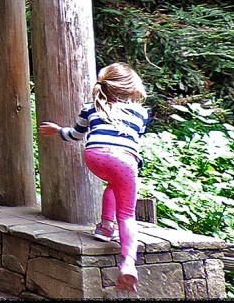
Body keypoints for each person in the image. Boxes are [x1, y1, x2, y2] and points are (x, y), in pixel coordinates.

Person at [39, 62, 151, 293]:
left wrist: (57, 130)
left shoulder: (91, 108)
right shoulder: (140, 113)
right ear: (131, 88)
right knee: (127, 215)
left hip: (94, 157)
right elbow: (136, 140)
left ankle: (105, 227)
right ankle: (128, 263)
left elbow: (76, 134)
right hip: (123, 160)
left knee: (113, 184)